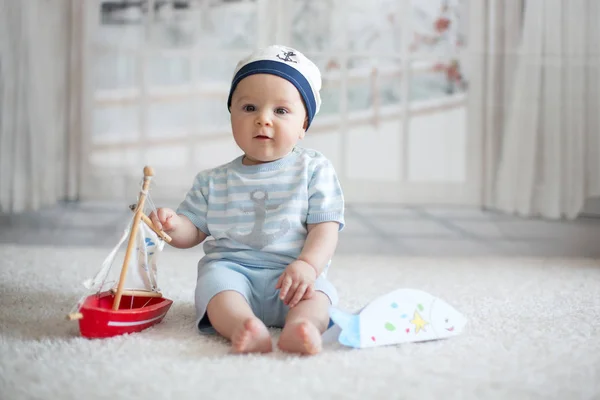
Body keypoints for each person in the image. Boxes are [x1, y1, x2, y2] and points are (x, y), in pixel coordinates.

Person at [150, 45, 345, 355]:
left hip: (294, 276)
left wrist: (308, 265)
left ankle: (301, 327)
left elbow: (325, 227)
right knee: (214, 289)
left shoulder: (313, 170)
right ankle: (243, 326)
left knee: (319, 298)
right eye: (249, 108)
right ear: (232, 116)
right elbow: (192, 232)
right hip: (233, 272)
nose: (262, 119)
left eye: (280, 111)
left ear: (303, 125)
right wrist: (172, 226)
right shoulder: (213, 181)